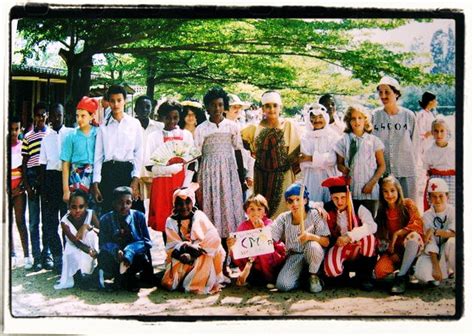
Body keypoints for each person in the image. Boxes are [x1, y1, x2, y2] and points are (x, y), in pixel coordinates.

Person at [194, 87, 246, 266]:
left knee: (229, 208)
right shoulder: (201, 129)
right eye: (213, 105)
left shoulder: (232, 126)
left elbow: (238, 151)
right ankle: (214, 254)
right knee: (211, 208)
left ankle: (233, 256)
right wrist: (195, 179)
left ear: (224, 106)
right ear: (206, 108)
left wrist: (242, 174)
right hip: (208, 173)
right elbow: (197, 155)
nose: (217, 108)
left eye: (220, 105)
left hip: (228, 171)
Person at [241, 90, 301, 219]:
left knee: (285, 209)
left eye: (275, 105)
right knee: (263, 209)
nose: (271, 109)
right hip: (262, 177)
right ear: (262, 108)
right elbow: (247, 147)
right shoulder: (254, 128)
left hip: (283, 177)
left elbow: (294, 153)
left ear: (280, 107)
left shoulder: (288, 125)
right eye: (267, 106)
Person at [161, 186, 228, 294]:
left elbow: (212, 237)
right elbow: (171, 246)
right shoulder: (170, 221)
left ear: (193, 203)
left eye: (187, 202)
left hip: (200, 253)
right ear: (174, 204)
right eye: (179, 203)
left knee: (209, 248)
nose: (184, 207)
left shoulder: (199, 216)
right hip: (180, 254)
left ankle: (197, 283)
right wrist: (185, 250)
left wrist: (193, 253)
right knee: (169, 283)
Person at [145, 99, 194, 241]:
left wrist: (186, 185)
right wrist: (168, 169)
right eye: (168, 117)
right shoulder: (154, 137)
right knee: (165, 223)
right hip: (162, 185)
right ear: (161, 117)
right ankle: (169, 256)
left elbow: (192, 162)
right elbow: (149, 166)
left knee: (184, 221)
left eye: (175, 117)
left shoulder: (186, 135)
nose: (172, 121)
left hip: (181, 184)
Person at [92, 85, 143, 215]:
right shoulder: (103, 126)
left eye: (119, 100)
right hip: (109, 172)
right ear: (108, 102)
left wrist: (135, 179)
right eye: (112, 101)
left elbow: (138, 152)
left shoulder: (134, 124)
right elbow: (98, 156)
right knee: (109, 213)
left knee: (129, 213)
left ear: (125, 100)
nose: (116, 104)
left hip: (127, 171)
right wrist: (96, 182)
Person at [321, 176, 378, 291]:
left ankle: (365, 276)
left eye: (343, 197)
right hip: (340, 245)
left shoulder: (358, 207)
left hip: (357, 245)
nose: (340, 201)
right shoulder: (327, 208)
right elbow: (310, 204)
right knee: (331, 270)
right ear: (331, 197)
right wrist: (317, 207)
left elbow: (372, 226)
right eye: (335, 198)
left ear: (348, 195)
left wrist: (350, 236)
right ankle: (344, 275)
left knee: (369, 239)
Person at [271, 183, 330, 293]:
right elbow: (270, 236)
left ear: (306, 200)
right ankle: (302, 279)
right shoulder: (283, 218)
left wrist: (310, 236)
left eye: (298, 199)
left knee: (312, 246)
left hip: (314, 255)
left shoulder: (315, 214)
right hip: (294, 256)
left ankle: (313, 276)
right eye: (290, 201)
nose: (295, 203)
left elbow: (326, 242)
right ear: (287, 204)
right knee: (283, 285)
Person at [97, 186, 154, 292]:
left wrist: (130, 250)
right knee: (103, 257)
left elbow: (147, 242)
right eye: (120, 203)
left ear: (132, 202)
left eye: (128, 202)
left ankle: (130, 277)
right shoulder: (105, 219)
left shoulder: (139, 216)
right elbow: (102, 243)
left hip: (133, 257)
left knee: (142, 258)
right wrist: (115, 250)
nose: (124, 206)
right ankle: (118, 277)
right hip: (115, 257)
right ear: (113, 203)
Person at [374, 176, 424, 294]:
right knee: (379, 271)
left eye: (392, 190)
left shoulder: (408, 204)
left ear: (398, 191)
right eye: (385, 191)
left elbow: (417, 224)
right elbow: (381, 238)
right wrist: (392, 252)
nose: (389, 194)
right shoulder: (382, 211)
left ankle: (401, 277)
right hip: (394, 251)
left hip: (411, 248)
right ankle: (405, 270)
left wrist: (398, 233)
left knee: (414, 236)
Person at [372, 76, 418, 201]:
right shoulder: (374, 116)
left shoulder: (409, 116)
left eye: (387, 92)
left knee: (408, 208)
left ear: (396, 93)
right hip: (382, 174)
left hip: (406, 172)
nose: (383, 96)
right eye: (380, 92)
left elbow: (415, 145)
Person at [39, 103, 73, 273]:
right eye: (53, 115)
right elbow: (43, 167)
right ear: (49, 117)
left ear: (64, 115)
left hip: (67, 181)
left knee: (68, 220)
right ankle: (58, 257)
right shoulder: (46, 138)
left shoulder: (71, 134)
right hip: (52, 181)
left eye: (59, 115)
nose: (56, 118)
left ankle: (70, 257)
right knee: (51, 223)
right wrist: (44, 191)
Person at [334, 105, 386, 216]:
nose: (356, 121)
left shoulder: (374, 141)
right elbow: (339, 164)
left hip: (370, 191)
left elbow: (382, 166)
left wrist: (371, 184)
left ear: (365, 119)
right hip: (351, 190)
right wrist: (345, 169)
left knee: (369, 223)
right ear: (348, 121)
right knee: (353, 223)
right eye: (353, 118)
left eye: (360, 118)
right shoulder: (343, 141)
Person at [227, 194, 286, 287]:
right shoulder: (243, 226)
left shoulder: (269, 223)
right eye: (252, 209)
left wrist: (261, 231)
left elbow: (269, 244)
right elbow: (240, 251)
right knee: (236, 250)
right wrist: (232, 246)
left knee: (263, 249)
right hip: (254, 265)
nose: (255, 212)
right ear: (246, 211)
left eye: (259, 209)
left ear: (265, 212)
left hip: (270, 263)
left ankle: (270, 278)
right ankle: (252, 277)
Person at [22, 101, 50, 271]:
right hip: (32, 178)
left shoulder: (51, 135)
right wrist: (27, 185)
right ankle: (37, 257)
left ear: (47, 116)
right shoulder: (27, 137)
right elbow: (25, 163)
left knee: (46, 220)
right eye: (38, 115)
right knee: (33, 221)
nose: (41, 118)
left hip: (46, 177)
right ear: (34, 116)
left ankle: (47, 256)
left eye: (43, 114)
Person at [54, 189, 100, 290]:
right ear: (68, 207)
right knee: (75, 254)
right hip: (74, 248)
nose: (77, 210)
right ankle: (81, 279)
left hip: (91, 246)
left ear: (86, 206)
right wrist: (89, 251)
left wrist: (87, 227)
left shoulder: (90, 214)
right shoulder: (64, 221)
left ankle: (90, 276)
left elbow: (101, 232)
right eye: (73, 207)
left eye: (81, 207)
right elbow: (75, 242)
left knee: (91, 234)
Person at [414, 178, 455, 285]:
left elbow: (455, 233)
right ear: (429, 198)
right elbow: (430, 243)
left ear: (447, 196)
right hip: (433, 254)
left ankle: (458, 275)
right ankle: (442, 271)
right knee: (423, 273)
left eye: (441, 196)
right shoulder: (426, 216)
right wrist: (436, 267)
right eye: (434, 196)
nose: (437, 200)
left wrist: (436, 231)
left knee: (453, 242)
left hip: (447, 249)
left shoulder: (453, 211)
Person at [299, 102, 340, 203]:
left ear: (325, 117)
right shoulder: (305, 137)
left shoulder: (333, 136)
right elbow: (303, 161)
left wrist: (311, 158)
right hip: (311, 178)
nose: (317, 120)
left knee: (330, 207)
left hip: (329, 175)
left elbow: (332, 159)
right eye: (314, 117)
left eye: (320, 117)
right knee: (312, 207)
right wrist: (321, 159)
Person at [61, 97, 99, 205]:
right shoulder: (71, 136)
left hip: (95, 175)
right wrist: (66, 190)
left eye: (83, 116)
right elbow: (65, 163)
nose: (79, 119)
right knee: (78, 209)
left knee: (95, 210)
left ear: (91, 116)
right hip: (76, 176)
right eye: (77, 116)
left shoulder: (98, 134)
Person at [134, 95, 164, 216]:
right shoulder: (131, 127)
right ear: (135, 109)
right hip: (137, 174)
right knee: (138, 208)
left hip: (155, 173)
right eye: (141, 107)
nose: (144, 110)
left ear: (152, 109)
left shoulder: (159, 127)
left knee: (157, 208)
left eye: (147, 107)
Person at [10, 117, 31, 269]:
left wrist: (20, 187)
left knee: (20, 221)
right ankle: (11, 254)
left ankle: (27, 255)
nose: (13, 132)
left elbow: (25, 169)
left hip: (19, 190)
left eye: (16, 129)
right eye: (11, 129)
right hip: (6, 191)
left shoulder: (23, 146)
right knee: (7, 223)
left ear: (21, 129)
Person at [422, 118, 455, 210]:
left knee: (451, 205)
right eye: (436, 131)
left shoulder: (453, 149)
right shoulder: (429, 150)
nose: (439, 134)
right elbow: (427, 169)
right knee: (435, 205)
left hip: (452, 180)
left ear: (446, 131)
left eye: (442, 131)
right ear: (432, 132)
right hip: (435, 179)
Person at [415, 92, 437, 195]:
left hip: (430, 143)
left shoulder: (430, 113)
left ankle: (428, 186)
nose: (436, 102)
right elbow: (421, 132)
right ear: (430, 101)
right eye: (435, 100)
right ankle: (421, 189)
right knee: (422, 166)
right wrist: (432, 132)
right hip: (423, 144)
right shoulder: (422, 114)